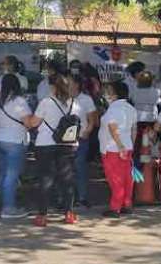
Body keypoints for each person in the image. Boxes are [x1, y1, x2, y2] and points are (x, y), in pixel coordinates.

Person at [28, 74, 85, 226]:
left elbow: (34, 123)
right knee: (67, 179)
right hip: (68, 145)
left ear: (53, 87)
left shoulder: (46, 102)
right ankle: (69, 213)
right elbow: (82, 127)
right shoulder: (76, 104)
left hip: (45, 144)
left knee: (46, 179)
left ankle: (42, 216)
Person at [0, 74, 32, 219]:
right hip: (14, 141)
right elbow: (28, 123)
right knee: (11, 176)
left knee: (4, 173)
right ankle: (8, 208)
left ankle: (6, 202)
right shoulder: (19, 101)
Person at [99, 81, 138, 217]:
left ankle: (115, 207)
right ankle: (126, 204)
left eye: (109, 90)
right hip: (126, 147)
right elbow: (134, 130)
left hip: (112, 148)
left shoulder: (113, 109)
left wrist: (120, 145)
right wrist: (128, 146)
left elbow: (112, 127)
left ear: (115, 93)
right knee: (127, 178)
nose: (107, 94)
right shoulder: (131, 108)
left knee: (115, 179)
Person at [69, 75, 98, 208]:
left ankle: (81, 197)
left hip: (80, 138)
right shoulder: (62, 97)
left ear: (76, 84)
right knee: (65, 169)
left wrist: (87, 131)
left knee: (80, 168)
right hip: (64, 140)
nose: (67, 84)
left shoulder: (86, 99)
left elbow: (93, 119)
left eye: (69, 82)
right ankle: (66, 197)